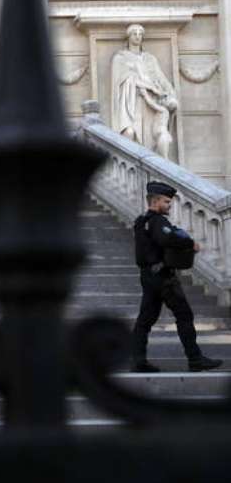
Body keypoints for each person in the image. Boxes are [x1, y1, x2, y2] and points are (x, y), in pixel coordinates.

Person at [131, 181, 222, 373]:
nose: (169, 205)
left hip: (148, 276)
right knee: (184, 315)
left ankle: (138, 360)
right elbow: (166, 238)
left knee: (145, 320)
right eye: (166, 202)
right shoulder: (157, 221)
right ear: (155, 201)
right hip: (163, 278)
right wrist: (190, 243)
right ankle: (195, 359)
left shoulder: (141, 221)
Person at [111, 24, 179, 160]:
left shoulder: (150, 59)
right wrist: (144, 85)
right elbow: (119, 81)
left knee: (154, 135)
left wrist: (170, 95)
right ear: (128, 37)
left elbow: (161, 79)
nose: (137, 36)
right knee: (131, 133)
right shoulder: (120, 58)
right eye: (134, 33)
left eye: (140, 34)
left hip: (151, 103)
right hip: (132, 101)